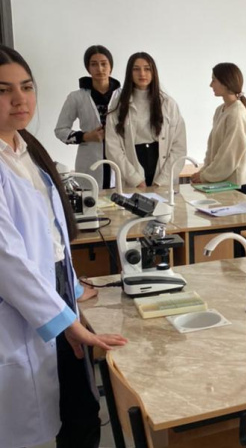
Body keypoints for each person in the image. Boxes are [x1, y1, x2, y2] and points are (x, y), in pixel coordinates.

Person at [0, 45, 127, 448]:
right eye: (4, 90)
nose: (20, 99)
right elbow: (8, 261)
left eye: (26, 87)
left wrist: (70, 285)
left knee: (80, 411)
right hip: (24, 305)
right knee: (50, 417)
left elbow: (51, 235)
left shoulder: (25, 151)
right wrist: (66, 321)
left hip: (54, 294)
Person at [105, 52, 186, 188]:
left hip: (161, 165)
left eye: (147, 69)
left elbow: (179, 147)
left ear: (153, 72)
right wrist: (135, 179)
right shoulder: (118, 105)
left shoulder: (168, 103)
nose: (142, 73)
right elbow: (113, 149)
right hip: (132, 165)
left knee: (163, 201)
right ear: (129, 73)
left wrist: (161, 181)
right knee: (134, 201)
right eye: (136, 69)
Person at [54, 45, 121, 189]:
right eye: (94, 64)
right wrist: (86, 136)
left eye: (104, 64)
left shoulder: (123, 97)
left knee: (120, 199)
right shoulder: (76, 97)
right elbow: (60, 130)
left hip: (120, 162)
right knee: (92, 199)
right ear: (88, 68)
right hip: (90, 163)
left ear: (111, 67)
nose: (100, 69)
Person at [190, 63, 246, 196]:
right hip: (223, 180)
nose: (210, 85)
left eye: (214, 80)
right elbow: (213, 149)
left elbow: (229, 154)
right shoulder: (220, 110)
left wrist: (205, 176)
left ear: (226, 83)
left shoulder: (237, 112)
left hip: (237, 182)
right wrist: (204, 172)